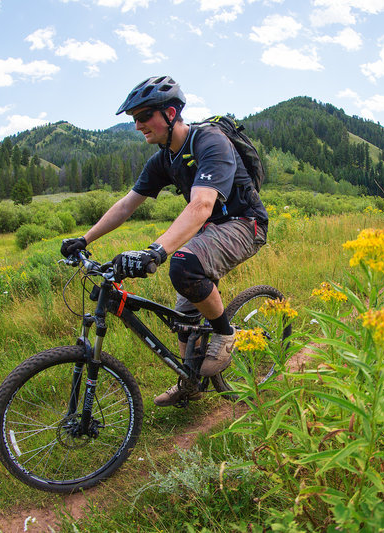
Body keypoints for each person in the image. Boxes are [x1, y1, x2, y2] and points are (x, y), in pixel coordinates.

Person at [61, 75, 268, 407]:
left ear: (171, 113)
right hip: (209, 230)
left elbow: (201, 205)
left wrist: (156, 251)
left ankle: (225, 333)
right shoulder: (163, 159)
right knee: (183, 322)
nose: (138, 125)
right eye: (134, 119)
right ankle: (190, 383)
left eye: (145, 116)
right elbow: (127, 204)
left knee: (184, 264)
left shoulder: (210, 141)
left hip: (245, 223)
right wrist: (83, 239)